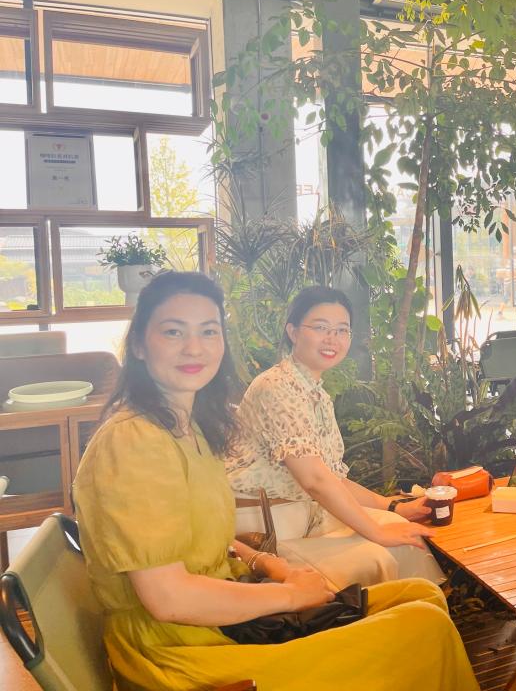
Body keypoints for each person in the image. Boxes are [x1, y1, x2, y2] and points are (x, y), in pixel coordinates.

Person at [73, 272, 478, 691]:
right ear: (139, 345)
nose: (194, 347)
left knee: (422, 596)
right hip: (180, 646)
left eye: (208, 331)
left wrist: (269, 564)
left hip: (225, 608)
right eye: (173, 331)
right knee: (424, 624)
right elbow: (168, 599)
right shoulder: (135, 441)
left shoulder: (190, 428)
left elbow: (215, 542)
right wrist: (290, 594)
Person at [225, 286, 443, 589]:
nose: (332, 339)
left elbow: (332, 478)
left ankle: (422, 608)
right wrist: (376, 532)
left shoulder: (315, 392)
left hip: (303, 515)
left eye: (342, 330)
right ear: (292, 331)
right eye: (320, 328)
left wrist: (394, 507)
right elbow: (315, 480)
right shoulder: (276, 386)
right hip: (268, 527)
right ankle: (403, 610)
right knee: (382, 551)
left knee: (400, 529)